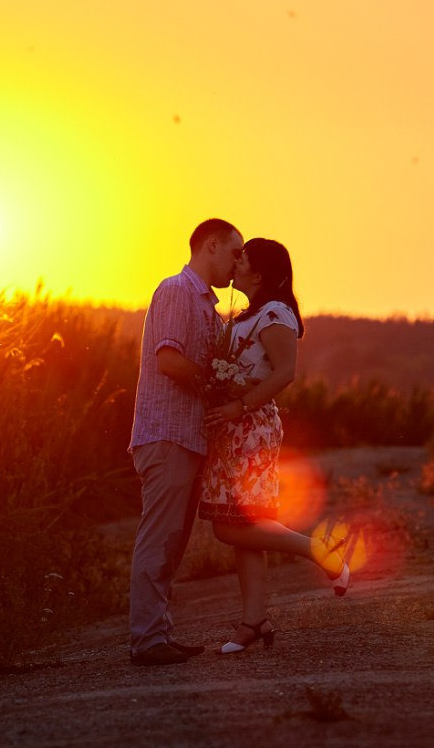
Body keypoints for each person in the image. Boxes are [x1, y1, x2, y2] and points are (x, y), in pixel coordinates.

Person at [199, 237, 353, 655]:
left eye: (242, 258)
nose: (235, 263)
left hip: (251, 427)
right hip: (232, 428)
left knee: (231, 525)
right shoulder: (246, 315)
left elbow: (286, 372)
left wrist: (239, 405)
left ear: (259, 273)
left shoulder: (275, 313)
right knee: (245, 527)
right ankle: (253, 622)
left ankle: (318, 551)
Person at [127, 218, 245, 666]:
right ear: (210, 246)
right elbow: (169, 360)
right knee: (159, 538)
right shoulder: (176, 291)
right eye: (234, 252)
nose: (238, 263)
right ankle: (146, 641)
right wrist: (214, 377)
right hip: (167, 433)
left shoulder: (207, 308)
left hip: (187, 437)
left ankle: (157, 634)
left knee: (172, 543)